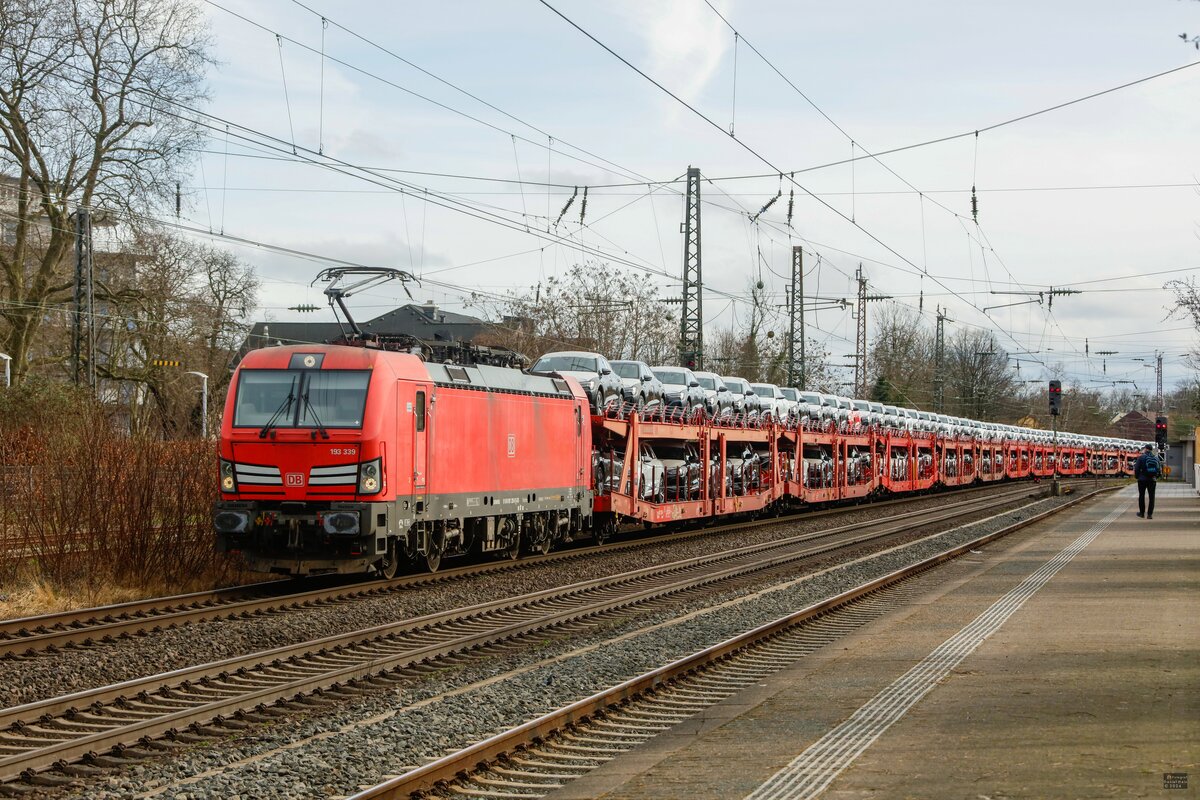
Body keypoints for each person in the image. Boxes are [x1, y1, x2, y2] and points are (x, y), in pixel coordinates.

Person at [1133, 443, 1160, 519]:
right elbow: (1159, 469)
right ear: (1151, 450)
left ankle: (1142, 513)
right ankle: (1150, 514)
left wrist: (1137, 477)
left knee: (1141, 496)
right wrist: (1155, 477)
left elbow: (1137, 468)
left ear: (1145, 449)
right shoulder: (1156, 458)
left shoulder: (1141, 457)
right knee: (1152, 497)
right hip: (1152, 479)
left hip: (1142, 480)